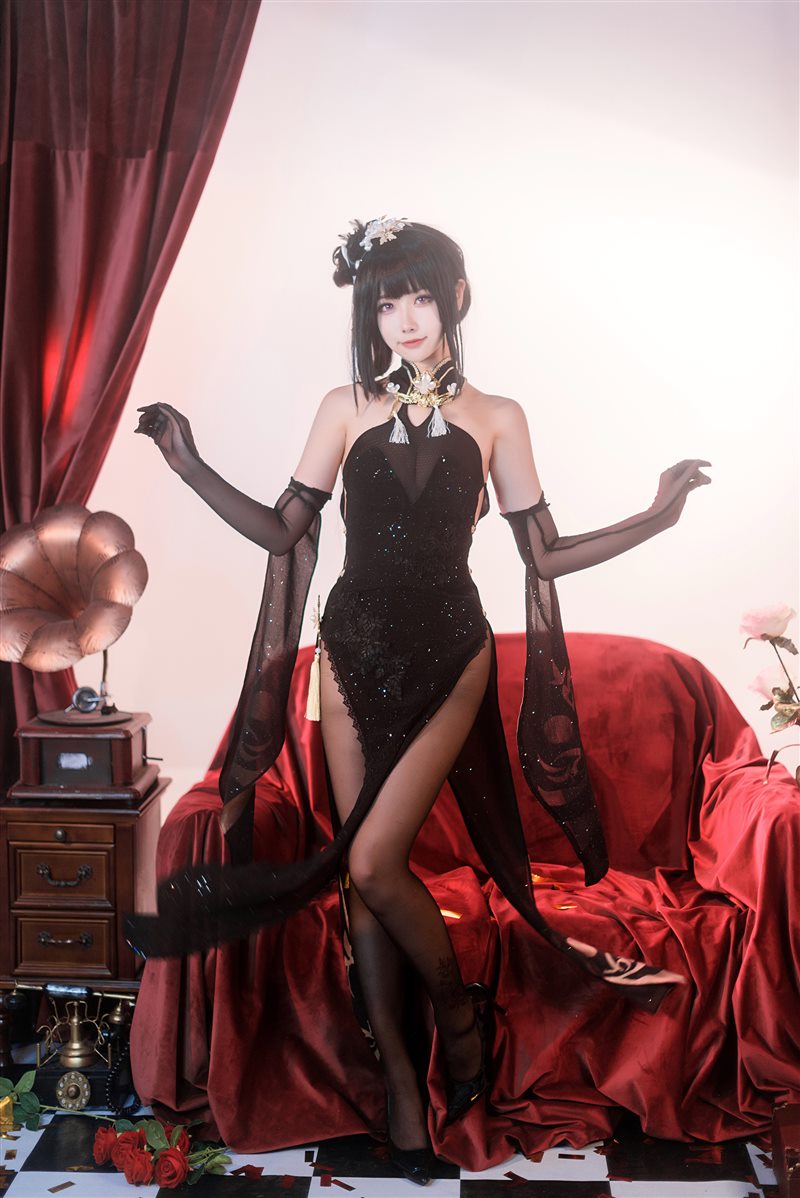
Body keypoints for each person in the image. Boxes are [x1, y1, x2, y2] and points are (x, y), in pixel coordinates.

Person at [128, 216, 711, 1184]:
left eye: (421, 297)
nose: (404, 318)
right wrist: (185, 462)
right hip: (351, 650)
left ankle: (453, 1007)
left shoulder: (498, 415)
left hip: (451, 650)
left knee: (368, 854)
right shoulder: (343, 406)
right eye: (385, 302)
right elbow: (283, 533)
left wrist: (657, 513)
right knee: (363, 876)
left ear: (455, 299)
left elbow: (542, 555)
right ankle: (403, 1081)